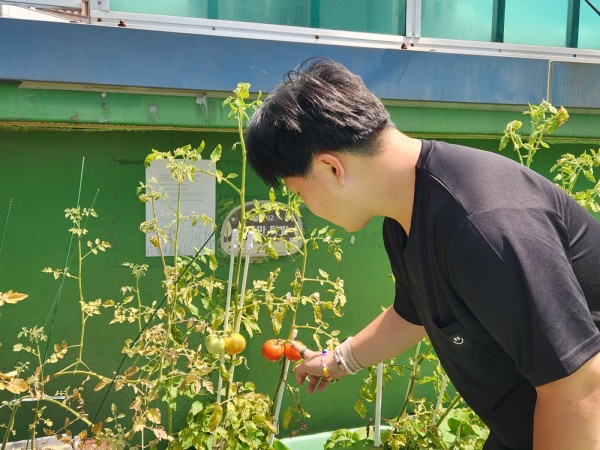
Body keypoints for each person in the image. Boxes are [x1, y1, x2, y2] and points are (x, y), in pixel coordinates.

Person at [244, 58, 600, 450]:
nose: (306, 206)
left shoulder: (483, 223)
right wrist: (337, 361)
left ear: (331, 168)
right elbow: (414, 315)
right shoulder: (404, 218)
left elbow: (578, 383)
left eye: (298, 193)